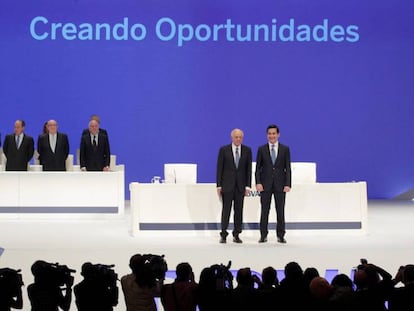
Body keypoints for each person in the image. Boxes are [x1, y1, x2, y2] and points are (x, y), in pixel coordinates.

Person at [255, 124, 291, 243]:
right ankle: (263, 235)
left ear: (278, 134)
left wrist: (287, 184)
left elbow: (288, 168)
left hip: (280, 185)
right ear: (267, 135)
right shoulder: (261, 149)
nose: (272, 136)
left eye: (274, 133)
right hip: (265, 185)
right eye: (269, 134)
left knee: (280, 210)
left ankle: (281, 235)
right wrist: (258, 183)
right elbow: (258, 169)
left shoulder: (285, 149)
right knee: (264, 210)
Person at [216, 128, 252, 243]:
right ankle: (223, 234)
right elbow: (219, 168)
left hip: (240, 187)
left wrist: (248, 186)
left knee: (239, 211)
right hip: (227, 186)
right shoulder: (224, 150)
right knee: (226, 210)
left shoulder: (247, 150)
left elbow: (248, 169)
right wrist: (219, 185)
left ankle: (236, 234)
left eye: (240, 137)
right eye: (236, 137)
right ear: (232, 138)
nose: (238, 139)